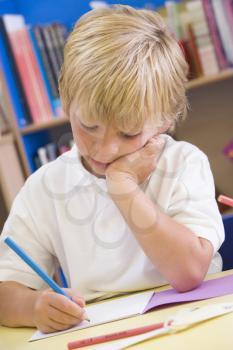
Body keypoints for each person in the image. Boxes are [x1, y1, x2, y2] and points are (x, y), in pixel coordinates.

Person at [0, 5, 224, 334]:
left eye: (129, 134)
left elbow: (189, 273)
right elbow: (6, 291)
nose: (104, 149)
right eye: (88, 126)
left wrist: (123, 187)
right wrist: (34, 307)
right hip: (99, 334)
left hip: (195, 323)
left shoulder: (184, 164)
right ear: (65, 100)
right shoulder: (44, 188)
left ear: (165, 120)